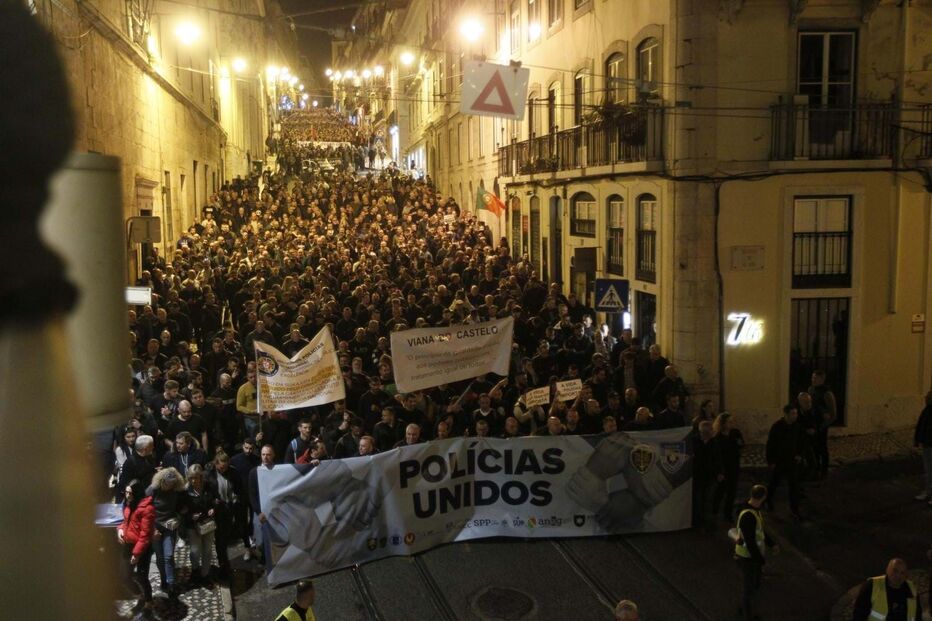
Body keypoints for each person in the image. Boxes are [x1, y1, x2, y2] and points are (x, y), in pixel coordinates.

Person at [733, 484, 778, 621]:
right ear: (763, 497)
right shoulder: (749, 515)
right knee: (749, 589)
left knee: (753, 586)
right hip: (748, 557)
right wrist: (760, 560)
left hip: (751, 557)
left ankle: (744, 609)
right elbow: (751, 542)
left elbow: (760, 531)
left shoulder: (752, 510)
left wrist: (771, 544)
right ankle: (748, 616)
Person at [117, 479, 155, 618]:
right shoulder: (129, 504)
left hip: (142, 547)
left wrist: (137, 553)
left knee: (142, 576)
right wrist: (120, 529)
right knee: (125, 576)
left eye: (130, 493)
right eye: (126, 492)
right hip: (128, 543)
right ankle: (141, 596)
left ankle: (149, 600)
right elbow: (125, 521)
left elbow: (145, 534)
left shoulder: (147, 508)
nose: (127, 495)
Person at [147, 467, 186, 599]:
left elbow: (180, 508)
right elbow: (144, 512)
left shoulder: (176, 491)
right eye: (167, 484)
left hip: (169, 527)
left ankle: (171, 583)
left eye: (172, 485)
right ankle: (164, 579)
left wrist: (178, 517)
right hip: (155, 527)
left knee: (168, 555)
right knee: (160, 557)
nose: (169, 487)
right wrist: (152, 529)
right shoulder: (152, 490)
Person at [205, 449, 240, 581]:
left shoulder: (233, 473)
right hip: (214, 511)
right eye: (221, 467)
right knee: (209, 542)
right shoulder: (209, 475)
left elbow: (238, 489)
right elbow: (206, 492)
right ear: (216, 464)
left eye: (225, 467)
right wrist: (212, 501)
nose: (223, 469)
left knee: (222, 541)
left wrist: (235, 500)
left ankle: (223, 565)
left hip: (227, 510)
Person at [852, 558, 922, 621]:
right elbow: (859, 614)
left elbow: (917, 616)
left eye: (902, 573)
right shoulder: (872, 585)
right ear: (887, 570)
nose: (898, 576)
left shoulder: (911, 590)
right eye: (895, 571)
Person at [766, 404, 804, 518]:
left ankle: (794, 508)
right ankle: (768, 501)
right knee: (774, 483)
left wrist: (799, 454)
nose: (795, 416)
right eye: (793, 413)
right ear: (786, 414)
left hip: (792, 461)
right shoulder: (777, 427)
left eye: (796, 413)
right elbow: (770, 444)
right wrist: (771, 461)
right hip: (779, 460)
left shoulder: (797, 427)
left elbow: (801, 442)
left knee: (794, 485)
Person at [182, 464, 217, 586]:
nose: (193, 480)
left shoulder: (208, 487)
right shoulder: (186, 491)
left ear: (201, 477)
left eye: (196, 478)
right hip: (193, 525)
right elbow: (181, 509)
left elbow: (215, 500)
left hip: (207, 523)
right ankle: (195, 570)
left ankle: (205, 574)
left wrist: (213, 508)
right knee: (195, 551)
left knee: (207, 550)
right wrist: (190, 516)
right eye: (191, 478)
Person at [712, 413, 744, 522]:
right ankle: (714, 511)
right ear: (723, 423)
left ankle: (728, 513)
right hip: (723, 467)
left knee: (732, 491)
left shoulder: (735, 433)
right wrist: (719, 471)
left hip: (734, 466)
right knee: (721, 490)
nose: (731, 423)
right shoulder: (717, 437)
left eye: (732, 421)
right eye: (729, 422)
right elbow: (716, 455)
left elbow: (741, 445)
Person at [248, 444, 276, 565]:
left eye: (268, 454)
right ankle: (264, 558)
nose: (265, 457)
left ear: (273, 455)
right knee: (260, 541)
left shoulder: (278, 470)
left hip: (274, 509)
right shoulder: (254, 472)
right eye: (263, 454)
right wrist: (258, 512)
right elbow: (252, 495)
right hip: (259, 511)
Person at [914, 390, 932, 505]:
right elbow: (921, 425)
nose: (925, 397)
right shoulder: (926, 410)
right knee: (928, 471)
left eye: (928, 397)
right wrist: (917, 440)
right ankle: (927, 491)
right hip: (927, 444)